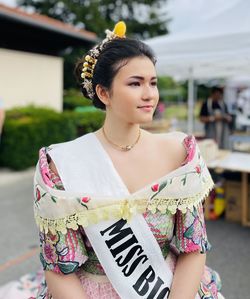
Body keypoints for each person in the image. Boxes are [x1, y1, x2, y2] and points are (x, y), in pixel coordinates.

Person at [33, 22, 224, 299]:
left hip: (168, 287)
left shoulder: (180, 152)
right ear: (103, 93)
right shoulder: (59, 164)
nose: (149, 94)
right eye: (135, 83)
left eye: (153, 82)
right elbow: (58, 265)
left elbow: (193, 246)